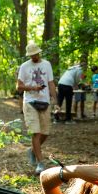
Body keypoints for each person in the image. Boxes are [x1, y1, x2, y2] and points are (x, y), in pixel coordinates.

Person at [17, 43, 58, 173]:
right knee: (36, 132)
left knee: (45, 132)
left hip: (44, 101)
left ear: (39, 53)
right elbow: (19, 87)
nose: (34, 56)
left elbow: (51, 83)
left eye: (35, 54)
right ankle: (40, 163)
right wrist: (33, 88)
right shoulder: (24, 66)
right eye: (31, 55)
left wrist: (55, 99)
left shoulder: (47, 64)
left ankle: (33, 150)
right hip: (30, 102)